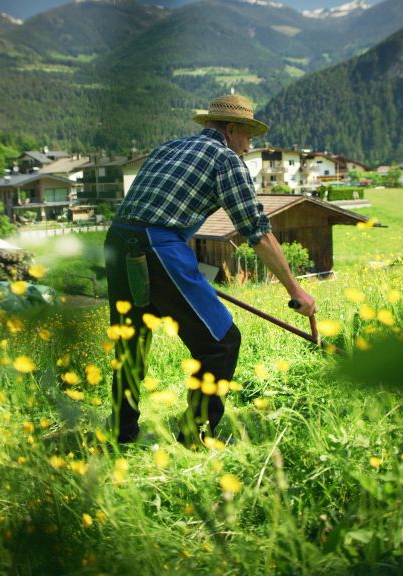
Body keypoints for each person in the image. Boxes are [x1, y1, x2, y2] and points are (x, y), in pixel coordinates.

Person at [104, 94, 317, 448]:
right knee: (221, 342)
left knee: (131, 344)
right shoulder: (226, 160)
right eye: (248, 136)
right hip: (159, 246)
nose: (248, 147)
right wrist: (297, 291)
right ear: (231, 130)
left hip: (118, 241)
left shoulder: (168, 148)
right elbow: (257, 232)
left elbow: (149, 207)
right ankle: (196, 437)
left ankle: (121, 434)